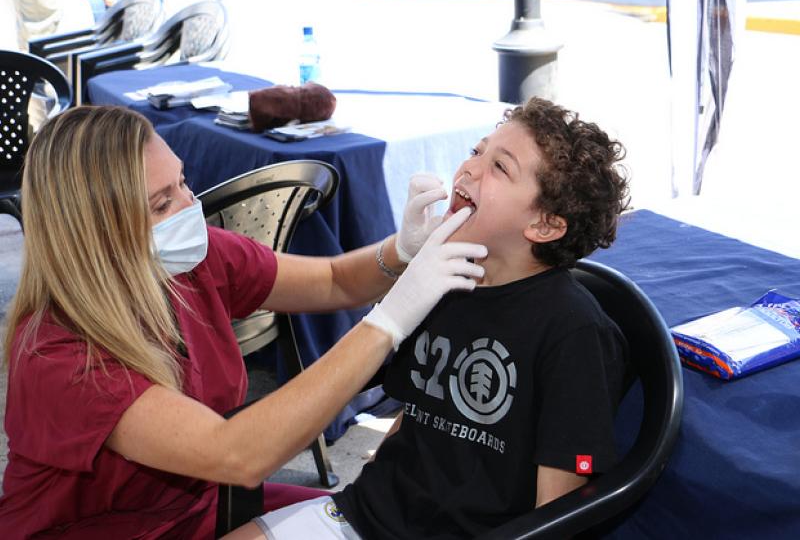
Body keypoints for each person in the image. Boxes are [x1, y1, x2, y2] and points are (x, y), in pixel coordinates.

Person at [0, 105, 488, 539]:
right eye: (160, 204)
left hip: (202, 505)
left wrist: (401, 250)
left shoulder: (192, 262)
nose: (190, 207)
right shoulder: (60, 354)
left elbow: (335, 281)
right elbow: (237, 454)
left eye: (183, 182)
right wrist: (389, 322)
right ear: (94, 232)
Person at [230, 96, 631, 539]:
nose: (471, 168)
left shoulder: (574, 330)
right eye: (478, 151)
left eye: (501, 167)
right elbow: (415, 406)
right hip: (368, 515)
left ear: (544, 225)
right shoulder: (444, 281)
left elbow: (557, 509)